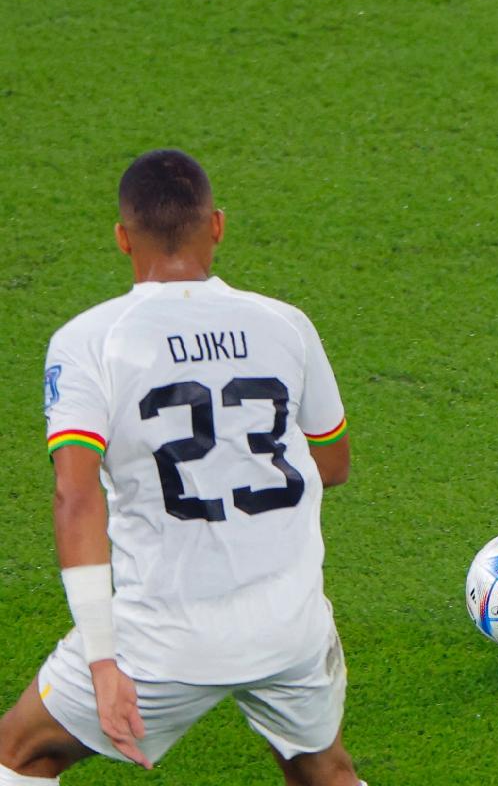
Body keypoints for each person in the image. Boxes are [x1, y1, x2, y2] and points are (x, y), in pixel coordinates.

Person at [0, 150, 364, 785]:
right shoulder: (287, 325)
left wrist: (103, 661)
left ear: (122, 238)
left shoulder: (90, 341)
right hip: (291, 629)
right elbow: (331, 464)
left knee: (20, 750)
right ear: (216, 225)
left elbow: (74, 496)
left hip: (159, 644)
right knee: (323, 773)